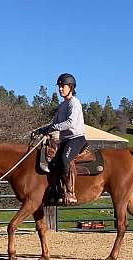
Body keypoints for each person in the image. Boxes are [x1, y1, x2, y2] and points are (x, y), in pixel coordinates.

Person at [34, 73, 87, 205]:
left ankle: (70, 193)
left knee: (64, 160)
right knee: (51, 162)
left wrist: (53, 128)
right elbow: (55, 124)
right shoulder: (62, 105)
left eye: (63, 86)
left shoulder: (74, 103)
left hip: (76, 139)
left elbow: (70, 123)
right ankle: (56, 190)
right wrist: (42, 130)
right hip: (64, 140)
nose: (60, 89)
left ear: (71, 87)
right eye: (59, 87)